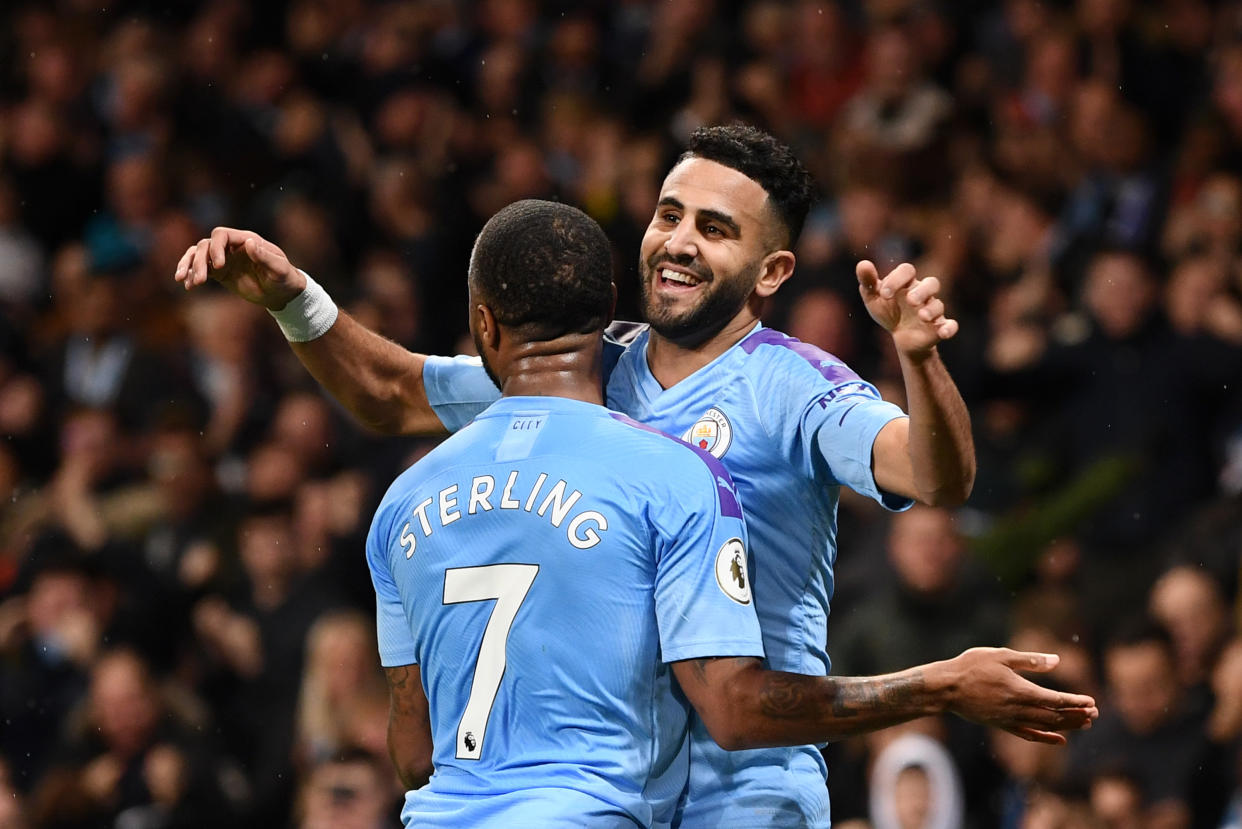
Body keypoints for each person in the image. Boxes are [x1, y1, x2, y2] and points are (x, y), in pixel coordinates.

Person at [175, 126, 1087, 826]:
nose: (679, 242)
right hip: (617, 786)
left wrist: (921, 361)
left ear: (772, 270)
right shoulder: (584, 366)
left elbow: (937, 476)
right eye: (669, 214)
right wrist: (295, 298)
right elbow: (391, 392)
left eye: (715, 229)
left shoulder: (792, 384)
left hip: (747, 782)